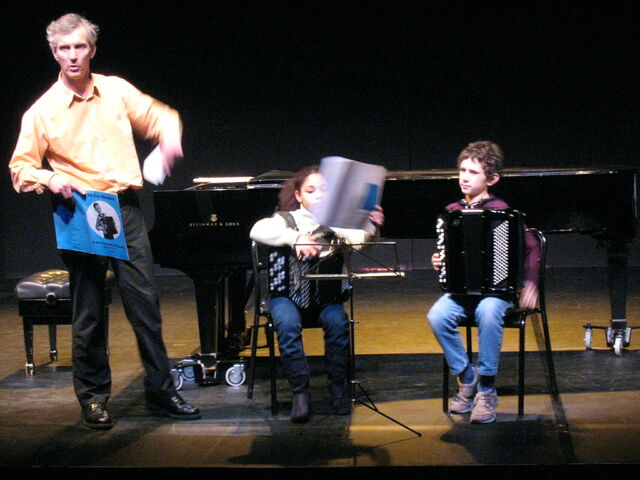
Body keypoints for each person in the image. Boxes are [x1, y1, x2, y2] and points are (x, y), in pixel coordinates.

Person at [8, 13, 200, 429]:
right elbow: (20, 168)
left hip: (123, 208)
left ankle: (161, 391)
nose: (72, 56)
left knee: (145, 305)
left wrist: (169, 138)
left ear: (92, 49)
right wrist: (50, 177)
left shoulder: (115, 90)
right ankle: (93, 398)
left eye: (79, 46)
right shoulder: (42, 111)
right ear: (54, 53)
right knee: (90, 312)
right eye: (64, 48)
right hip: (79, 209)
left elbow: (161, 116)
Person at [250, 165, 384, 423]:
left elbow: (363, 239)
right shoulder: (284, 220)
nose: (319, 195)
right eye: (311, 190)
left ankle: (338, 390)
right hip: (287, 297)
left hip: (325, 298)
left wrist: (371, 227)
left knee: (338, 323)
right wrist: (294, 238)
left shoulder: (339, 222)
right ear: (299, 195)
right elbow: (256, 230)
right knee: (287, 325)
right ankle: (300, 393)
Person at [427, 141, 540, 424]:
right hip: (462, 292)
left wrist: (530, 283)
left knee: (488, 312)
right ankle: (467, 378)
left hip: (497, 292)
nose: (464, 177)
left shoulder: (502, 210)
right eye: (462, 170)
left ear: (492, 179)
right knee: (437, 316)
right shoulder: (452, 211)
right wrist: (440, 260)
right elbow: (450, 253)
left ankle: (487, 389)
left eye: (473, 172)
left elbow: (532, 246)